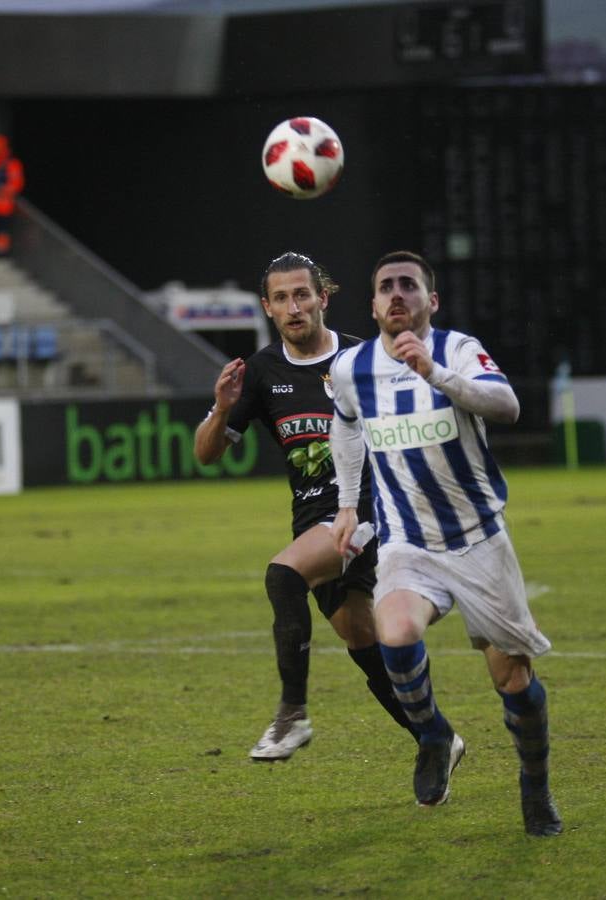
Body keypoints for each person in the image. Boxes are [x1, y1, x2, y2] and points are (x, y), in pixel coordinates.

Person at [329, 250, 562, 836]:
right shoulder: (351, 367)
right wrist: (348, 504)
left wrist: (434, 372)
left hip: (479, 540)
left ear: (431, 301)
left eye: (410, 285)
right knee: (396, 630)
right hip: (408, 541)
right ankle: (433, 736)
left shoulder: (457, 348)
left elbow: (507, 406)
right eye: (386, 287)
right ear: (374, 305)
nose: (397, 295)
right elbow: (346, 424)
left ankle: (534, 786)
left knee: (513, 682)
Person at [193, 251, 417, 761]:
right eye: (281, 298)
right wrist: (224, 407)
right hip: (313, 518)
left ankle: (291, 714)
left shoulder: (366, 359)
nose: (293, 307)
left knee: (283, 575)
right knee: (361, 639)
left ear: (323, 297)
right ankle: (437, 737)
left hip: (369, 513)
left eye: (301, 294)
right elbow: (206, 454)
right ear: (267, 308)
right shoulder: (259, 373)